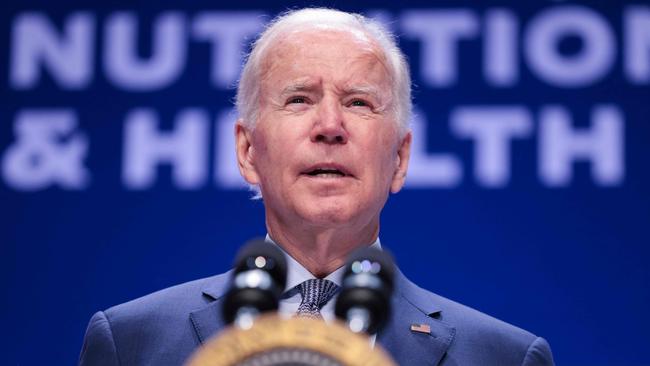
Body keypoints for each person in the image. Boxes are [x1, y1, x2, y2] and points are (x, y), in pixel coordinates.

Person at [79, 8, 554, 366]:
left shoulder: (503, 356)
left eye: (359, 102)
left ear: (400, 158)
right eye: (299, 99)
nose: (330, 125)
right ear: (247, 151)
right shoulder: (131, 342)